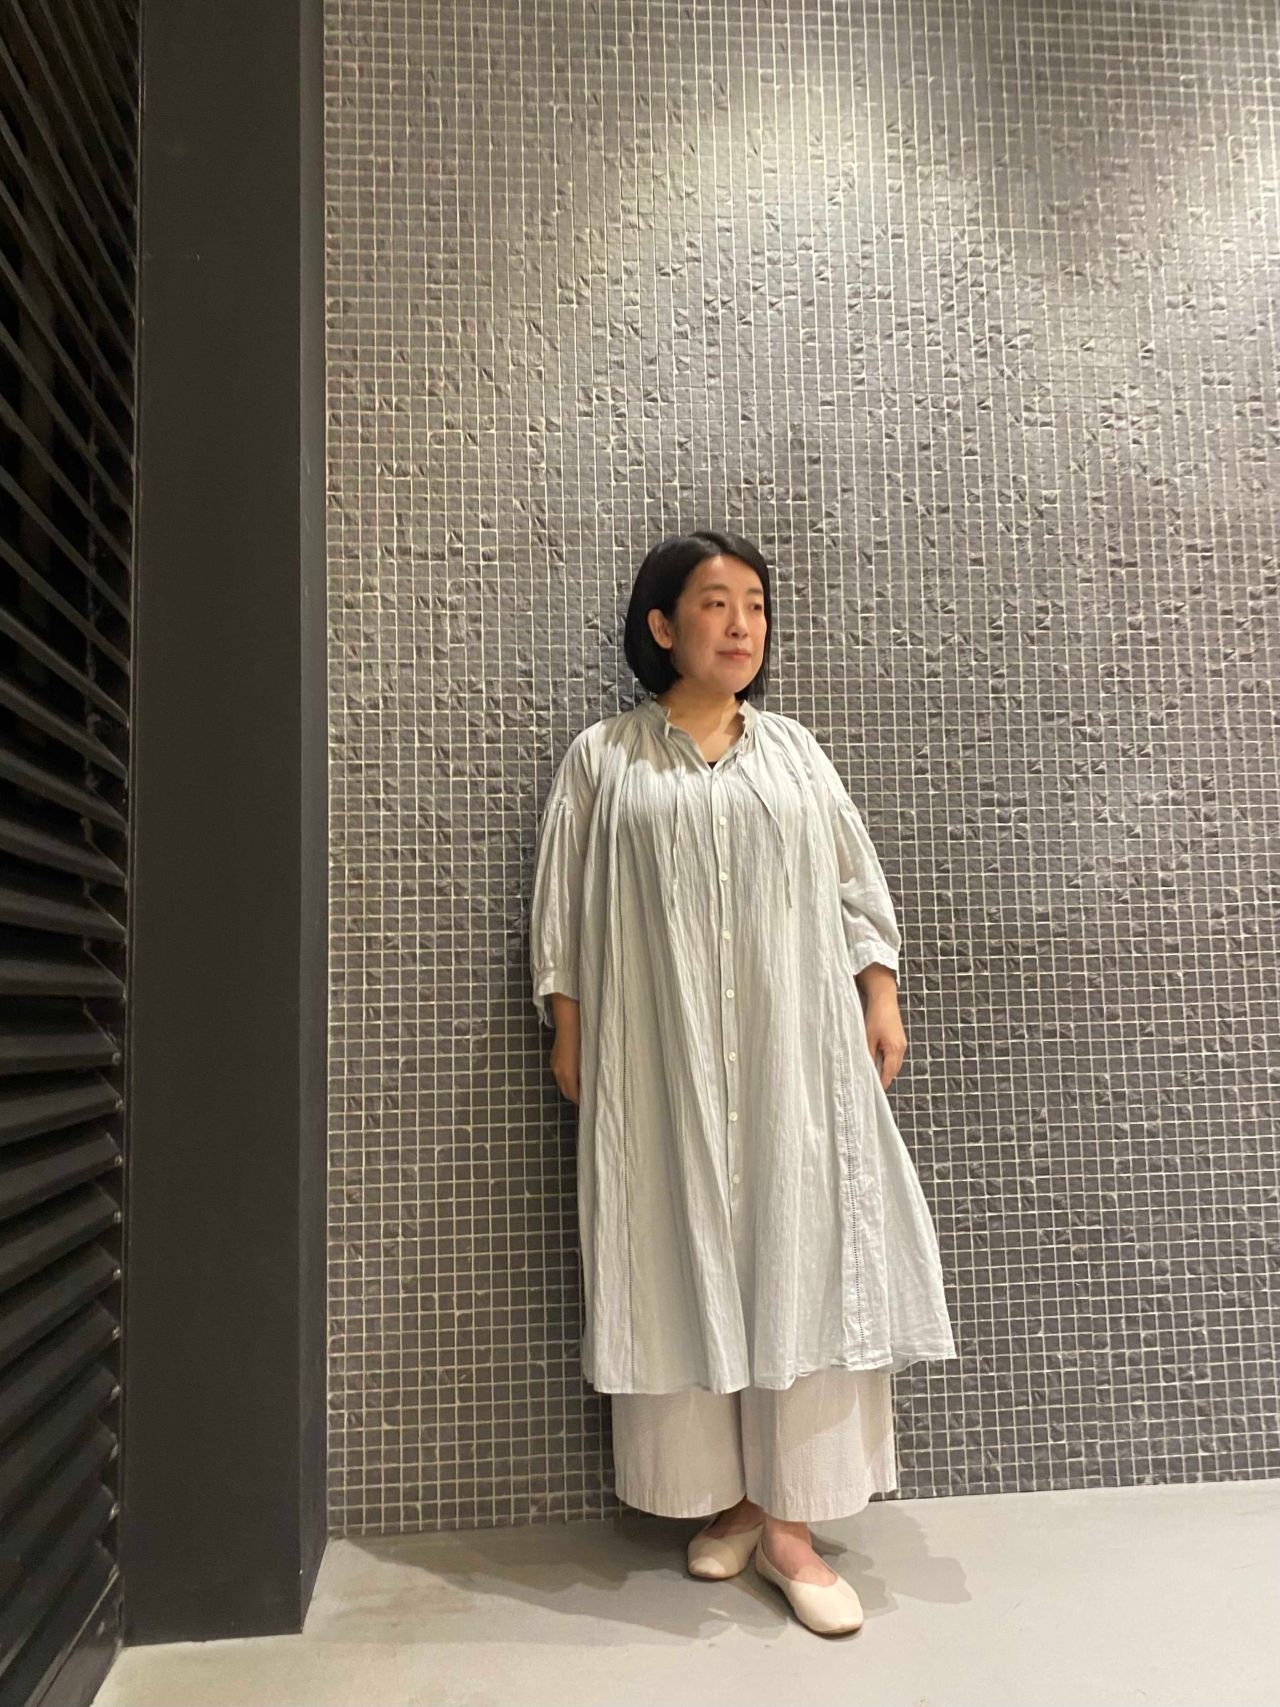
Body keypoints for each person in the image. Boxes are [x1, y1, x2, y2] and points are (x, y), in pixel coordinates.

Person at [529, 529, 957, 1637]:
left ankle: (791, 1526)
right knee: (675, 1253)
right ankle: (727, 1499)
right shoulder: (604, 759)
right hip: (657, 1058)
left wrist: (878, 993)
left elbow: (854, 882)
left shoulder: (795, 755)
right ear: (661, 625)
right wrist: (567, 1026)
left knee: (801, 1253)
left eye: (756, 605)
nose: (741, 625)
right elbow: (563, 905)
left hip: (793, 1057)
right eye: (716, 603)